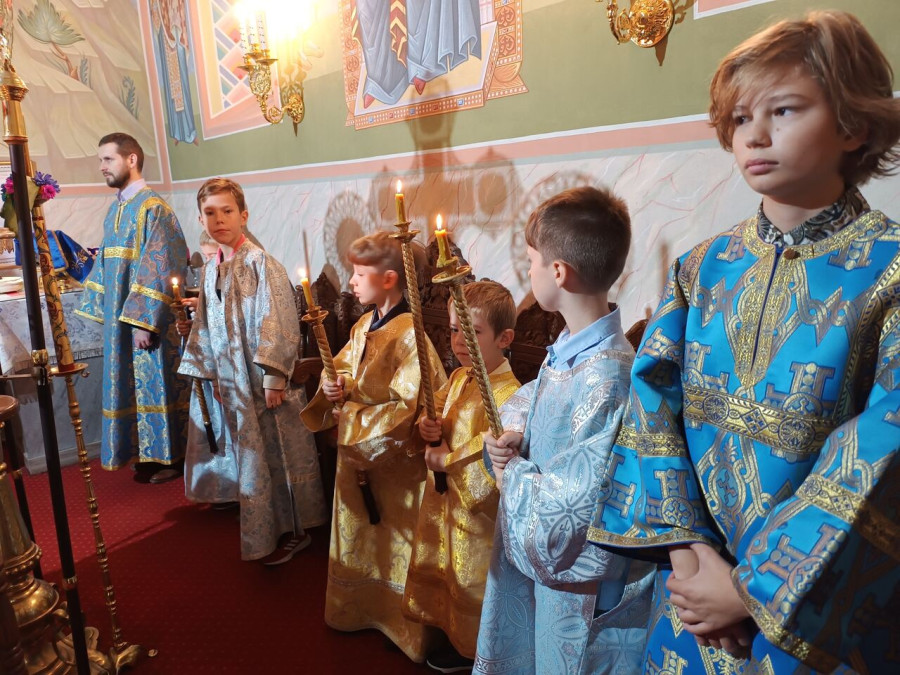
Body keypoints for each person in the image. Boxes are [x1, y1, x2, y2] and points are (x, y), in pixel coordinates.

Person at [588, 11, 900, 673]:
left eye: (783, 110)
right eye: (738, 118)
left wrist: (752, 591)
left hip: (815, 617)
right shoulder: (702, 269)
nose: (753, 135)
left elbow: (886, 447)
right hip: (693, 596)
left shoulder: (890, 270)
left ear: (853, 125)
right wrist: (689, 558)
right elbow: (652, 411)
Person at [474, 187, 655, 674]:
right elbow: (538, 396)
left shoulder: (609, 377)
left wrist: (512, 474)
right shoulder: (572, 346)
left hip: (579, 588)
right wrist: (513, 430)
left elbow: (570, 510)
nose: (528, 272)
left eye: (531, 261)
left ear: (558, 272)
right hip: (548, 576)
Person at [301, 230, 447, 662]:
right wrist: (335, 385)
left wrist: (352, 421)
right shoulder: (365, 324)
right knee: (364, 538)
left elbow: (409, 409)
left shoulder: (411, 336)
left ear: (388, 279)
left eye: (358, 273)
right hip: (359, 457)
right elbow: (345, 368)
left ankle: (401, 625)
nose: (350, 281)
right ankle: (359, 610)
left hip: (396, 469)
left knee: (395, 542)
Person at [178, 178, 328, 565]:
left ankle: (296, 530)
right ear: (201, 219)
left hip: (264, 383)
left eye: (227, 211)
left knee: (280, 453)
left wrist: (274, 378)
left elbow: (278, 320)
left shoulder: (262, 263)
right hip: (233, 382)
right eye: (210, 213)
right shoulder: (211, 269)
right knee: (253, 457)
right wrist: (213, 375)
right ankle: (266, 522)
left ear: (243, 215)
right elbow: (206, 325)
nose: (219, 219)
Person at [402, 280, 521, 672]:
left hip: (476, 518)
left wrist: (446, 460)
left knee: (470, 578)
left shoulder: (509, 395)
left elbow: (491, 453)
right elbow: (438, 414)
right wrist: (427, 426)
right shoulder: (459, 377)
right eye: (454, 329)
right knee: (445, 567)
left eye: (472, 332)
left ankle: (471, 649)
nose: (457, 341)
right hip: (445, 504)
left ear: (504, 338)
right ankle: (445, 630)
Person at [75, 132, 189, 482]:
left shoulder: (154, 208)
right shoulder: (117, 208)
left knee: (155, 381)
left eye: (108, 159)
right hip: (120, 319)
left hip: (147, 323)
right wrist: (99, 305)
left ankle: (170, 459)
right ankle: (147, 452)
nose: (102, 167)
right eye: (101, 160)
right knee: (130, 384)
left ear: (132, 159)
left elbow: (163, 264)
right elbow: (107, 262)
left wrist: (143, 320)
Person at [175, 231, 234, 507]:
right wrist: (189, 327)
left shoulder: (235, 274)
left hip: (227, 365)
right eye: (206, 256)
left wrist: (203, 309)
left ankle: (234, 489)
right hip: (209, 364)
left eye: (212, 255)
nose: (208, 262)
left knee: (228, 430)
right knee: (210, 427)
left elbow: (229, 318)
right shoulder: (211, 275)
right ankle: (216, 489)